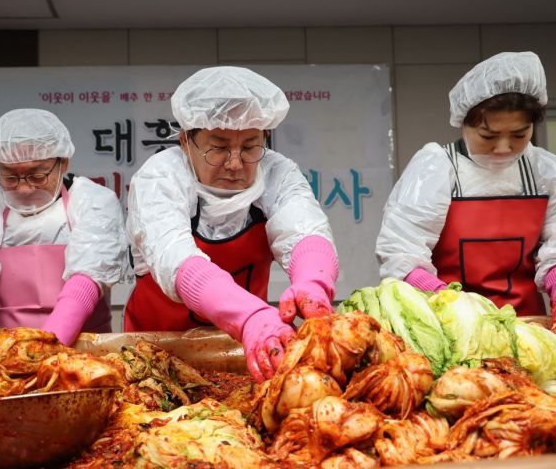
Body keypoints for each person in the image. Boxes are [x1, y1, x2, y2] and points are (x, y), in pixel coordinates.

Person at [125, 66, 338, 382]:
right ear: (186, 140)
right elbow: (177, 259)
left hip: (240, 355)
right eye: (219, 147)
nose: (235, 163)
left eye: (250, 146)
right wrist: (250, 316)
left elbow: (305, 229)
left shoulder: (277, 172)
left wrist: (313, 283)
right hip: (153, 356)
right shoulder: (160, 178)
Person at [0, 109, 126, 390]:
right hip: (5, 364)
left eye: (36, 175)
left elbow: (88, 275)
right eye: (11, 177)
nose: (24, 189)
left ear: (63, 162)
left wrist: (41, 350)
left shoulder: (92, 201)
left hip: (85, 361)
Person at [377, 51, 556, 320]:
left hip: (527, 326)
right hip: (451, 323)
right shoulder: (437, 168)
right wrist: (443, 297)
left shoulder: (543, 170)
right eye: (488, 135)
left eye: (519, 134)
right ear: (463, 123)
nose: (504, 147)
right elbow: (399, 253)